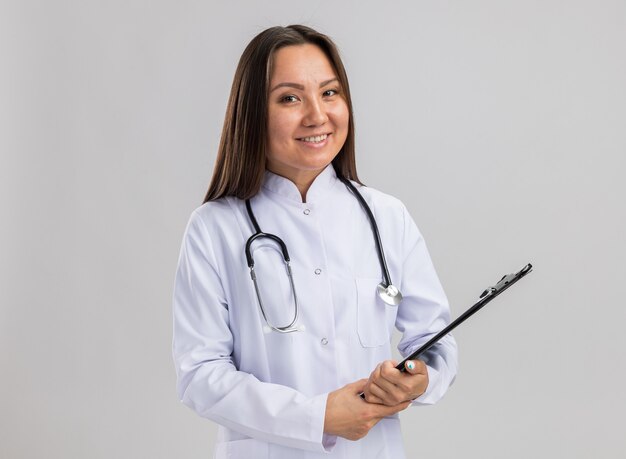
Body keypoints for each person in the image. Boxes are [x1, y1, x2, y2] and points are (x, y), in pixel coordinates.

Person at [172, 24, 457, 459]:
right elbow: (200, 374)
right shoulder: (214, 228)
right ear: (253, 112)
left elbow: (435, 340)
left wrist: (419, 378)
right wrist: (316, 416)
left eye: (329, 93)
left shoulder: (387, 217)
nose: (317, 116)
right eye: (290, 97)